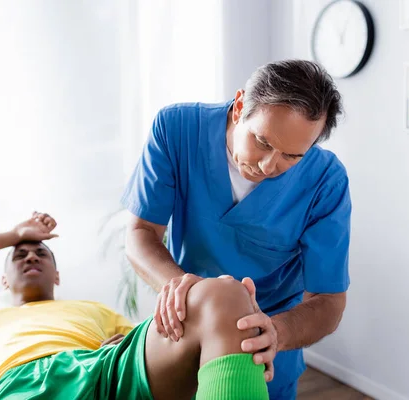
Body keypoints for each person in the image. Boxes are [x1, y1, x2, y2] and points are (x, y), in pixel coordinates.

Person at [122, 59, 351, 399]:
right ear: (240, 105)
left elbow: (328, 301)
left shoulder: (325, 181)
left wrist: (275, 332)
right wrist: (186, 291)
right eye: (262, 141)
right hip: (186, 329)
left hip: (265, 350)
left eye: (292, 156)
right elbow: (141, 233)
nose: (269, 165)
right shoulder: (177, 130)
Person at [0, 212, 271, 400]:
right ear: (4, 280)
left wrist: (118, 343)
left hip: (102, 370)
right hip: (22, 388)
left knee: (224, 294)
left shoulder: (92, 310)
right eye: (20, 254)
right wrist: (16, 234)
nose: (30, 255)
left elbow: (147, 343)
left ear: (57, 275)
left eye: (40, 252)